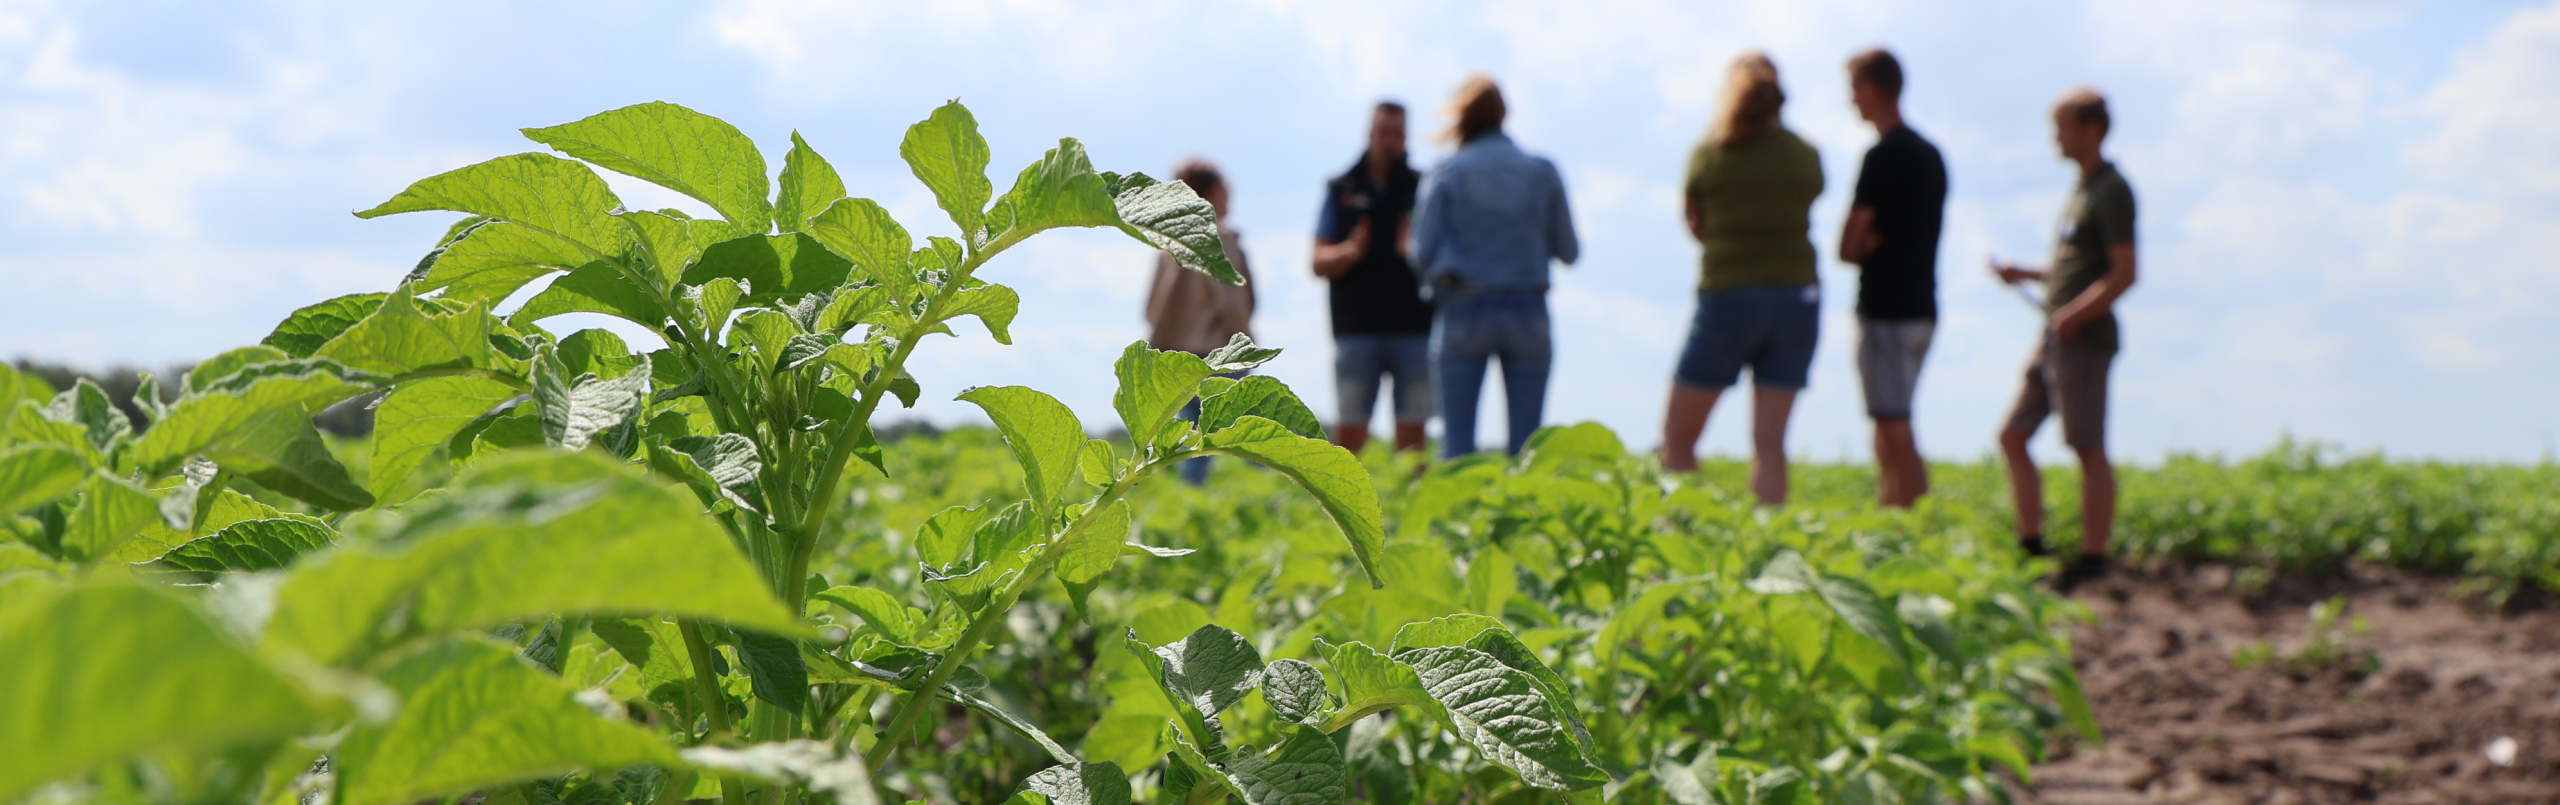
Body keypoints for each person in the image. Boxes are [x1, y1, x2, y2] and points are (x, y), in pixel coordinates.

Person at [1658, 52, 1825, 508]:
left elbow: (1695, 223)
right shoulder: (1804, 155)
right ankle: (1764, 549)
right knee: (1771, 444)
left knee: (1678, 439)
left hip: (1728, 295)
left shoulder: (1710, 153)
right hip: (1797, 297)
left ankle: (1685, 540)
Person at [1990, 87, 2138, 592]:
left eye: (2063, 126)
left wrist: (2076, 314)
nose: (2056, 137)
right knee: (2012, 435)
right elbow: (2073, 268)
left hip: (2084, 339)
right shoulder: (2082, 190)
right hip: (2054, 337)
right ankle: (2031, 546)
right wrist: (2025, 274)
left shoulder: (2112, 190)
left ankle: (2093, 559)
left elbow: (2124, 273)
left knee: (2087, 447)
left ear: (2090, 128)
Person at [1412, 75, 1580, 459]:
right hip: (1528, 310)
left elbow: (1422, 252)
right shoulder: (1542, 171)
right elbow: (1569, 251)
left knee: (1456, 448)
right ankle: (1518, 518)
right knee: (1525, 453)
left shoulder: (1447, 171)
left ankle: (1457, 517)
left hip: (1463, 309)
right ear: (1504, 114)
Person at [1837, 48, 1948, 509]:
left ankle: (1918, 529)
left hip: (1886, 309)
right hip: (1922, 306)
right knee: (1889, 424)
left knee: (1894, 423)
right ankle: (1890, 523)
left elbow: (1847, 246)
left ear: (1871, 89)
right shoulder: (1931, 155)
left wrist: (1870, 242)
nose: (1852, 102)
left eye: (1854, 90)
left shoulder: (1882, 156)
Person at [1314, 102, 1433, 455]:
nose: (1390, 141)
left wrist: (1414, 251)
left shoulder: (1423, 188)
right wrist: (1350, 251)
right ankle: (1344, 507)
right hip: (1356, 330)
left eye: (1398, 133)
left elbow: (1443, 258)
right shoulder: (1340, 189)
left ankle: (1411, 507)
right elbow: (1317, 260)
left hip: (1413, 328)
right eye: (1384, 132)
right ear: (1370, 134)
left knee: (1413, 436)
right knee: (1349, 434)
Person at [1143, 158, 1255, 485]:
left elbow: (1151, 309)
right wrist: (1246, 343)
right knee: (1250, 434)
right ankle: (1273, 503)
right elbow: (1229, 298)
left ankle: (1189, 508)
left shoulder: (1169, 242)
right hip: (1218, 354)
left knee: (1191, 443)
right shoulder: (1218, 236)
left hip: (1177, 358)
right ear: (1216, 191)